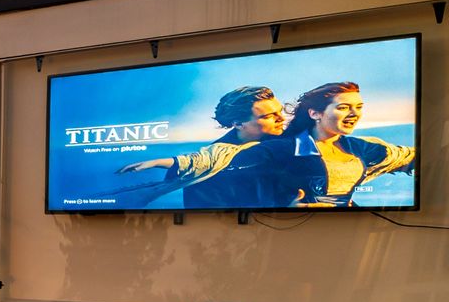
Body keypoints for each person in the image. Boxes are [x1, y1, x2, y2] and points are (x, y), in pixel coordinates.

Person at [115, 86, 289, 208]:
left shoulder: (288, 142)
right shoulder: (215, 166)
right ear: (238, 123)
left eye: (280, 111)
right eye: (270, 116)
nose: (281, 119)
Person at [261, 81, 415, 207]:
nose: (355, 113)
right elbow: (244, 188)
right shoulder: (278, 149)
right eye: (343, 108)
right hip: (293, 228)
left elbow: (407, 155)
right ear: (314, 113)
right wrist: (284, 206)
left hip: (351, 226)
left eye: (359, 107)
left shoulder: (363, 147)